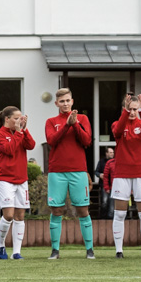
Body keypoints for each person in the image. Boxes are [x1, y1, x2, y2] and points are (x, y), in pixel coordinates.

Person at [43, 87, 94, 259]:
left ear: (72, 101)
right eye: (62, 101)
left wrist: (75, 124)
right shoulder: (51, 121)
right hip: (57, 171)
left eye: (67, 101)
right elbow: (51, 141)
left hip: (78, 171)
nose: (65, 104)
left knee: (83, 210)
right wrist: (66, 126)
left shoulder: (83, 118)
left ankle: (89, 250)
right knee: (56, 210)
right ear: (57, 103)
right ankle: (55, 250)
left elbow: (87, 141)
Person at [107, 91, 141, 259]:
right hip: (122, 174)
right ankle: (119, 251)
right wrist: (125, 113)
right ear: (125, 108)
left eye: (135, 109)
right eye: (130, 109)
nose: (133, 112)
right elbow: (118, 132)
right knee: (120, 214)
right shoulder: (117, 124)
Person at [0, 105, 36, 260]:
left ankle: (17, 251)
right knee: (8, 215)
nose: (19, 120)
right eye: (16, 118)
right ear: (7, 119)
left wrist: (24, 129)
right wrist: (18, 132)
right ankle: (1, 244)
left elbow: (31, 145)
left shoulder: (19, 132)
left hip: (21, 179)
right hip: (5, 179)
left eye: (20, 118)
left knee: (20, 216)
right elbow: (9, 150)